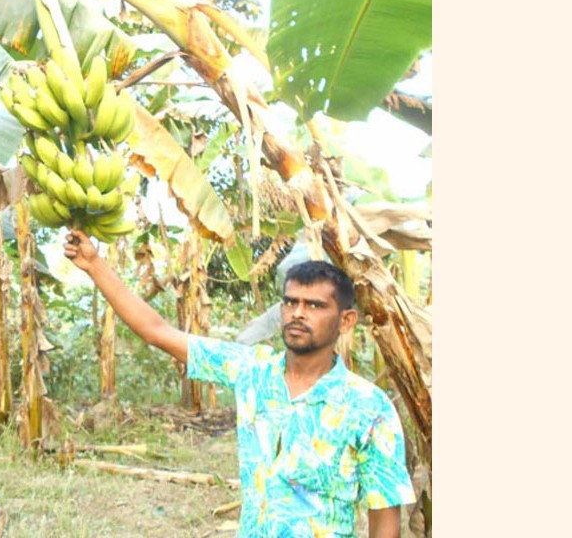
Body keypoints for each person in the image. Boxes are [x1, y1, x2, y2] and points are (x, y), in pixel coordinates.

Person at [64, 230, 416, 538]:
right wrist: (95, 264)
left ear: (346, 320)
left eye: (314, 305)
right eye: (291, 301)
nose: (298, 313)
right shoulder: (252, 371)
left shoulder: (368, 407)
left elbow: (384, 514)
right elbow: (157, 332)